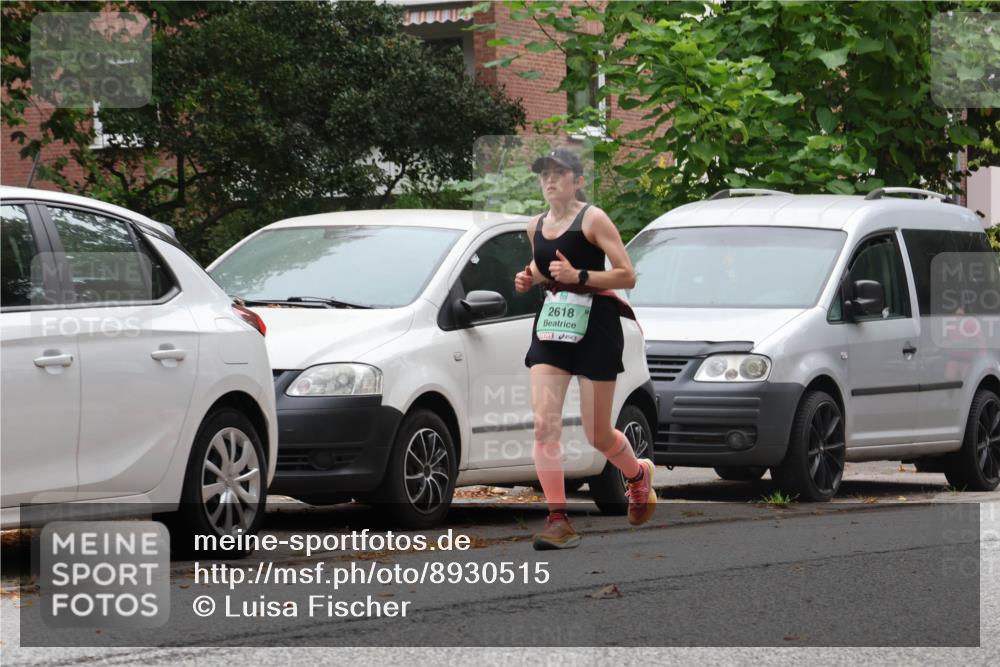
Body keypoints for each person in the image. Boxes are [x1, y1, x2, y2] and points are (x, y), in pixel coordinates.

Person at [513, 148, 656, 551]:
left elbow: (627, 275)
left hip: (596, 327)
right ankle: (558, 519)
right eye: (544, 175)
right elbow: (544, 268)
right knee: (544, 424)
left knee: (596, 433)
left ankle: (636, 475)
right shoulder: (534, 226)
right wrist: (529, 278)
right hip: (553, 328)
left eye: (559, 173)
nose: (550, 180)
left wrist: (581, 275)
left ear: (577, 180)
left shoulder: (593, 219)